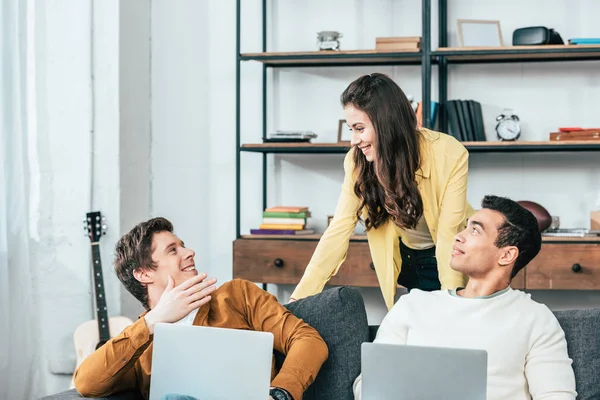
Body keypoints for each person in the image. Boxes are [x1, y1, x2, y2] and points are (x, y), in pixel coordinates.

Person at [73, 217, 328, 400]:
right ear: (143, 273)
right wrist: (153, 322)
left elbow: (307, 340)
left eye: (183, 245)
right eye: (173, 250)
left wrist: (280, 393)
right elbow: (86, 383)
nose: (189, 252)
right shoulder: (140, 343)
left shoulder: (237, 296)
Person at [353, 195, 577, 400]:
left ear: (507, 255)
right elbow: (368, 385)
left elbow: (556, 395)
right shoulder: (413, 305)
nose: (458, 237)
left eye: (475, 231)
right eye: (465, 228)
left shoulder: (536, 319)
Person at [291, 72, 474, 309]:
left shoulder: (448, 153)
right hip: (411, 259)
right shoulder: (357, 162)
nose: (353, 140)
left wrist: (453, 301)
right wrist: (300, 298)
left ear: (386, 123)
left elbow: (449, 234)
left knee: (452, 332)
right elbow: (339, 229)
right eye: (351, 130)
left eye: (360, 128)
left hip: (455, 258)